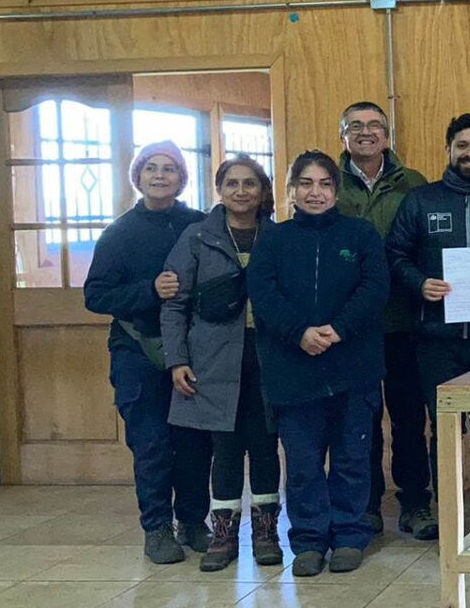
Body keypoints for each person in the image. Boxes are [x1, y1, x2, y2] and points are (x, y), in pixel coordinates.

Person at [248, 151, 389, 576]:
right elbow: (263, 293)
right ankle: (309, 540)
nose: (316, 192)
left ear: (336, 190)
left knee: (352, 457)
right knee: (303, 462)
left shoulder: (360, 234)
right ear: (291, 190)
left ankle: (348, 535)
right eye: (305, 184)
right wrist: (300, 333)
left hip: (353, 366)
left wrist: (339, 329)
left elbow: (375, 288)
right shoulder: (272, 239)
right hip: (293, 368)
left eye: (325, 184)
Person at [84, 141, 211, 565]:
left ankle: (192, 521)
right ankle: (157, 528)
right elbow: (96, 295)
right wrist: (149, 291)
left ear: (181, 178)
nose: (160, 175)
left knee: (194, 441)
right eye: (151, 168)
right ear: (137, 176)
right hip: (137, 348)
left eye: (169, 168)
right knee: (152, 441)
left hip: (193, 349)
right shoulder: (119, 233)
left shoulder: (199, 224)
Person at [386, 114, 470, 522]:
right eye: (463, 145)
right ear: (449, 149)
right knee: (443, 428)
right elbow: (395, 255)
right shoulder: (420, 201)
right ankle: (450, 517)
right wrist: (420, 283)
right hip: (434, 337)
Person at [161, 156, 282, 572]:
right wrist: (177, 359)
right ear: (220, 189)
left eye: (250, 183)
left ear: (262, 191)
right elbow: (174, 304)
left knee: (265, 445)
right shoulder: (197, 238)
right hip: (213, 360)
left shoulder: (278, 236)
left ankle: (266, 532)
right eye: (232, 183)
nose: (241, 191)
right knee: (225, 449)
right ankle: (224, 534)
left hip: (268, 357)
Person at [334, 101, 432, 539]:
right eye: (355, 126)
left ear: (387, 137)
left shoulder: (413, 183)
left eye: (375, 125)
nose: (366, 132)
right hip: (349, 325)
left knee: (409, 418)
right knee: (359, 421)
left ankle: (415, 503)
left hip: (404, 320)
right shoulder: (327, 182)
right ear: (343, 137)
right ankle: (366, 505)